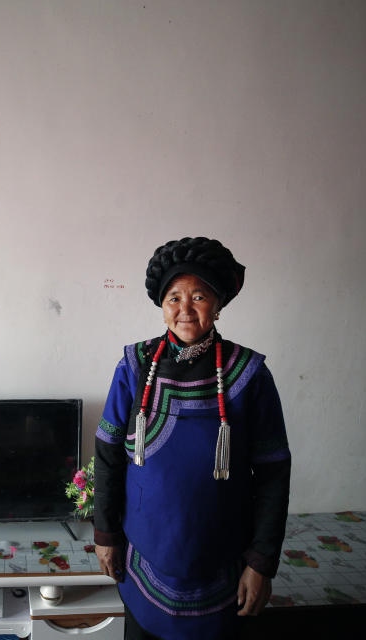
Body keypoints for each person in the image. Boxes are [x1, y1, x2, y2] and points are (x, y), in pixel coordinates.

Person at [93, 237, 291, 639]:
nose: (184, 309)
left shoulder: (248, 374)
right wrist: (106, 534)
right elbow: (108, 454)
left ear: (217, 304)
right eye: (173, 297)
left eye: (198, 296)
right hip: (144, 562)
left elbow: (273, 474)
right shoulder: (134, 366)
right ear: (161, 305)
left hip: (221, 566)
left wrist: (261, 563)